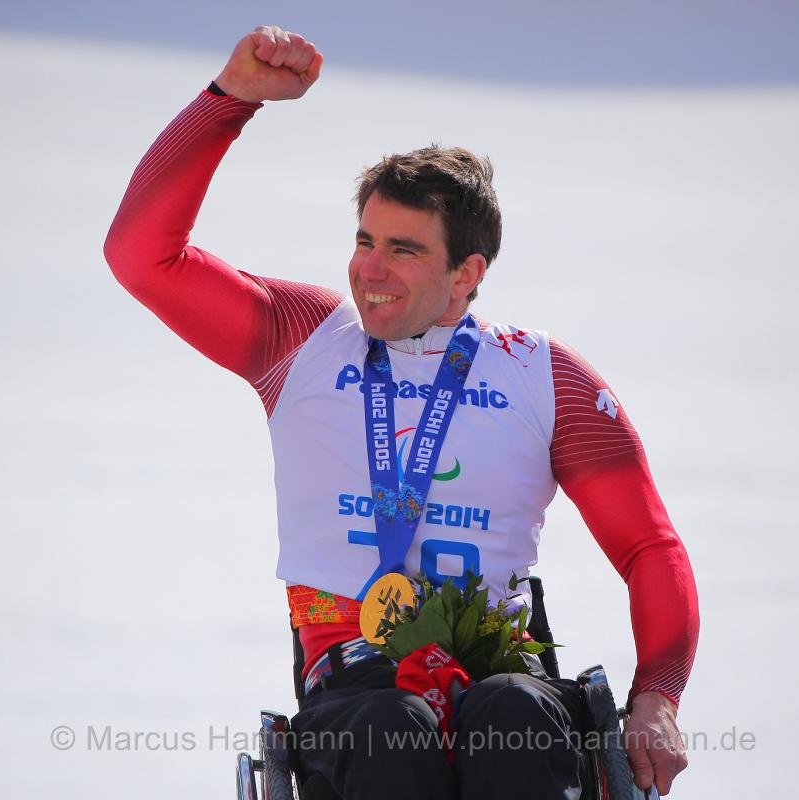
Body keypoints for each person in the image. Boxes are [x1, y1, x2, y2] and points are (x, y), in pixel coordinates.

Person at [104, 25, 699, 799]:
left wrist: (659, 694)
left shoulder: (544, 375)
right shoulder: (299, 340)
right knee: (394, 730)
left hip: (507, 678)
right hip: (357, 692)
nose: (369, 270)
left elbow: (649, 545)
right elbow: (140, 254)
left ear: (467, 272)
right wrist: (230, 101)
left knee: (511, 713)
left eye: (404, 249)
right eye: (364, 239)